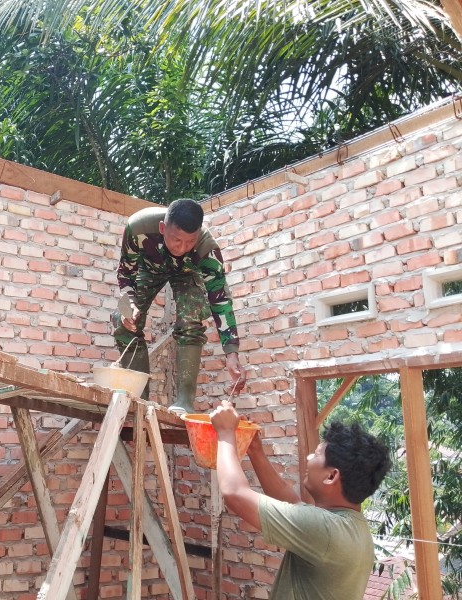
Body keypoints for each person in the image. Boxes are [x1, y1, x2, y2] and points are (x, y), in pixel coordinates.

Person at [210, 401, 392, 600]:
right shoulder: (348, 526)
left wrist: (226, 433)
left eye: (317, 454)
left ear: (331, 476)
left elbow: (234, 493)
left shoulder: (325, 531)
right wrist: (256, 452)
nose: (309, 457)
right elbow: (293, 503)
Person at [114, 198, 245, 414]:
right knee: (123, 320)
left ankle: (185, 401)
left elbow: (220, 300)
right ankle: (138, 399)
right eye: (176, 240)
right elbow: (125, 272)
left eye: (189, 242)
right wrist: (129, 301)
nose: (182, 247)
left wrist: (232, 353)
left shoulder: (206, 248)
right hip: (150, 269)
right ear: (162, 228)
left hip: (187, 273)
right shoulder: (138, 227)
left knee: (191, 316)